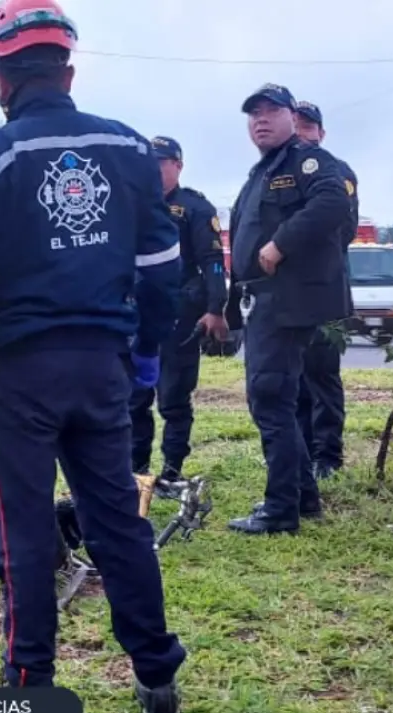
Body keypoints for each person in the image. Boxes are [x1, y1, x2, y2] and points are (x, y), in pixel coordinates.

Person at [0, 0, 187, 713]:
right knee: (117, 523)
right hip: (104, 367)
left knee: (25, 525)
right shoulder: (129, 151)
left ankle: (30, 683)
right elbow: (161, 266)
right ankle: (158, 678)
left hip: (21, 373)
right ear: (67, 68)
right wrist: (148, 349)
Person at [225, 84, 352, 533]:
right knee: (273, 400)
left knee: (269, 399)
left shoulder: (307, 159)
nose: (260, 120)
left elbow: (333, 201)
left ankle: (281, 510)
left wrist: (280, 244)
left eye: (270, 111)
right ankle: (303, 497)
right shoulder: (262, 171)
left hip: (288, 301)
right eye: (253, 114)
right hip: (264, 301)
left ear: (290, 117)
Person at [131, 137, 229, 484]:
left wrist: (216, 308)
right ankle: (136, 471)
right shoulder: (133, 203)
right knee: (133, 399)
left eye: (162, 163)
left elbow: (213, 263)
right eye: (150, 163)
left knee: (173, 398)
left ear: (177, 165)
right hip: (136, 312)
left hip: (180, 313)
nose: (155, 170)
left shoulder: (194, 208)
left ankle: (172, 471)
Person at [293, 100, 359, 479]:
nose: (301, 132)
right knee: (295, 378)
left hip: (324, 291)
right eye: (296, 124)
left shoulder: (337, 171)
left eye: (308, 126)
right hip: (289, 295)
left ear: (321, 132)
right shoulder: (278, 172)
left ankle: (328, 456)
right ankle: (301, 450)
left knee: (322, 377)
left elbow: (343, 229)